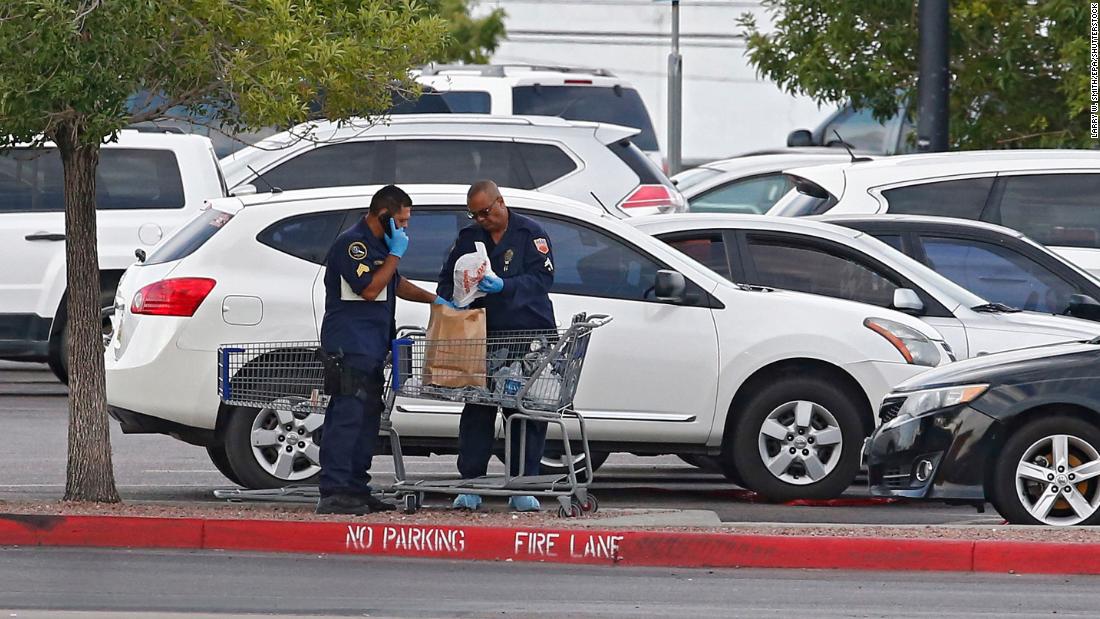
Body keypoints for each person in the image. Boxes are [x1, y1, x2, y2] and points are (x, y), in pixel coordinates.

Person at [316, 184, 455, 515]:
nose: (405, 228)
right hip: (348, 346)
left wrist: (435, 299)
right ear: (383, 216)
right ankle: (334, 491)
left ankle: (356, 488)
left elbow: (395, 283)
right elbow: (369, 288)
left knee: (367, 422)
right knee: (347, 419)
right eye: (402, 222)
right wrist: (396, 254)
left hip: (373, 346)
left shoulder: (380, 244)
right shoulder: (353, 245)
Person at [436, 180, 556, 512]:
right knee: (477, 410)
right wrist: (455, 297)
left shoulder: (531, 234)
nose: (481, 220)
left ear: (501, 202)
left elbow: (541, 280)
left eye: (486, 212)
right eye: (475, 215)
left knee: (525, 411)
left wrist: (504, 286)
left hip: (526, 335)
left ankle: (522, 484)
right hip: (483, 338)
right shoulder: (468, 238)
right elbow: (446, 278)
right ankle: (471, 482)